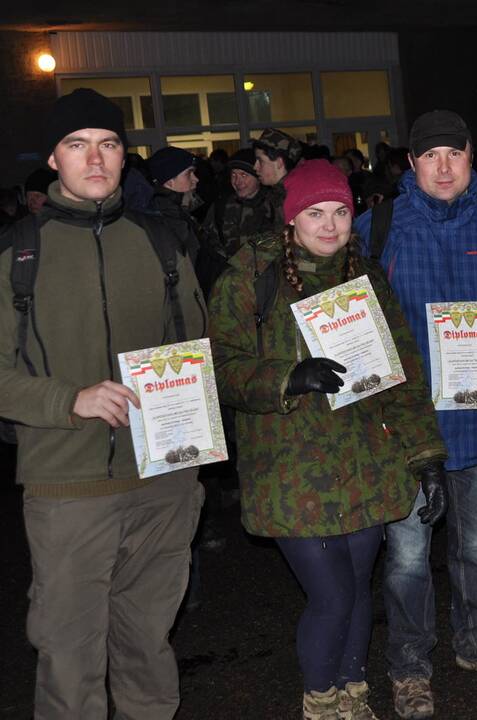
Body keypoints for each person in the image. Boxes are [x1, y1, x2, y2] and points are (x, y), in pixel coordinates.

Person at [209, 159, 447, 719]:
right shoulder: (251, 274)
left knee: (358, 589)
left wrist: (427, 457)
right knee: (333, 595)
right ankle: (320, 700)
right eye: (314, 212)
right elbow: (216, 365)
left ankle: (353, 690)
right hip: (291, 470)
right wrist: (286, 377)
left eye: (341, 211)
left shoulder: (366, 278)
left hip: (365, 461)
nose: (330, 224)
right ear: (291, 219)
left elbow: (403, 375)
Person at [0, 87, 205, 718]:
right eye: (78, 145)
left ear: (125, 157)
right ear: (54, 160)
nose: (96, 159)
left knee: (148, 648)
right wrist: (71, 400)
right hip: (67, 489)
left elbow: (199, 349)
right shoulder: (19, 254)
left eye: (109, 144)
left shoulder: (161, 242)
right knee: (69, 658)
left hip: (163, 482)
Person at [354, 109, 477, 719]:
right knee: (408, 558)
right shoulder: (376, 229)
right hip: (408, 433)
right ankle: (410, 666)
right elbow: (345, 324)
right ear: (411, 164)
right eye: (430, 156)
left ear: (471, 158)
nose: (444, 167)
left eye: (455, 154)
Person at [199, 148, 279, 292]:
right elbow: (208, 240)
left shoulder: (274, 206)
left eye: (244, 175)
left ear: (258, 177)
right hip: (231, 284)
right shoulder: (221, 205)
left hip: (267, 284)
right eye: (233, 175)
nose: (237, 181)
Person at [148, 146, 202, 257]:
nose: (196, 179)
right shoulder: (172, 220)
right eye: (188, 174)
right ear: (169, 182)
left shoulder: (178, 212)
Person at [253, 127, 303, 226]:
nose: (255, 167)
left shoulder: (292, 197)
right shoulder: (275, 194)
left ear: (279, 163)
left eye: (260, 161)